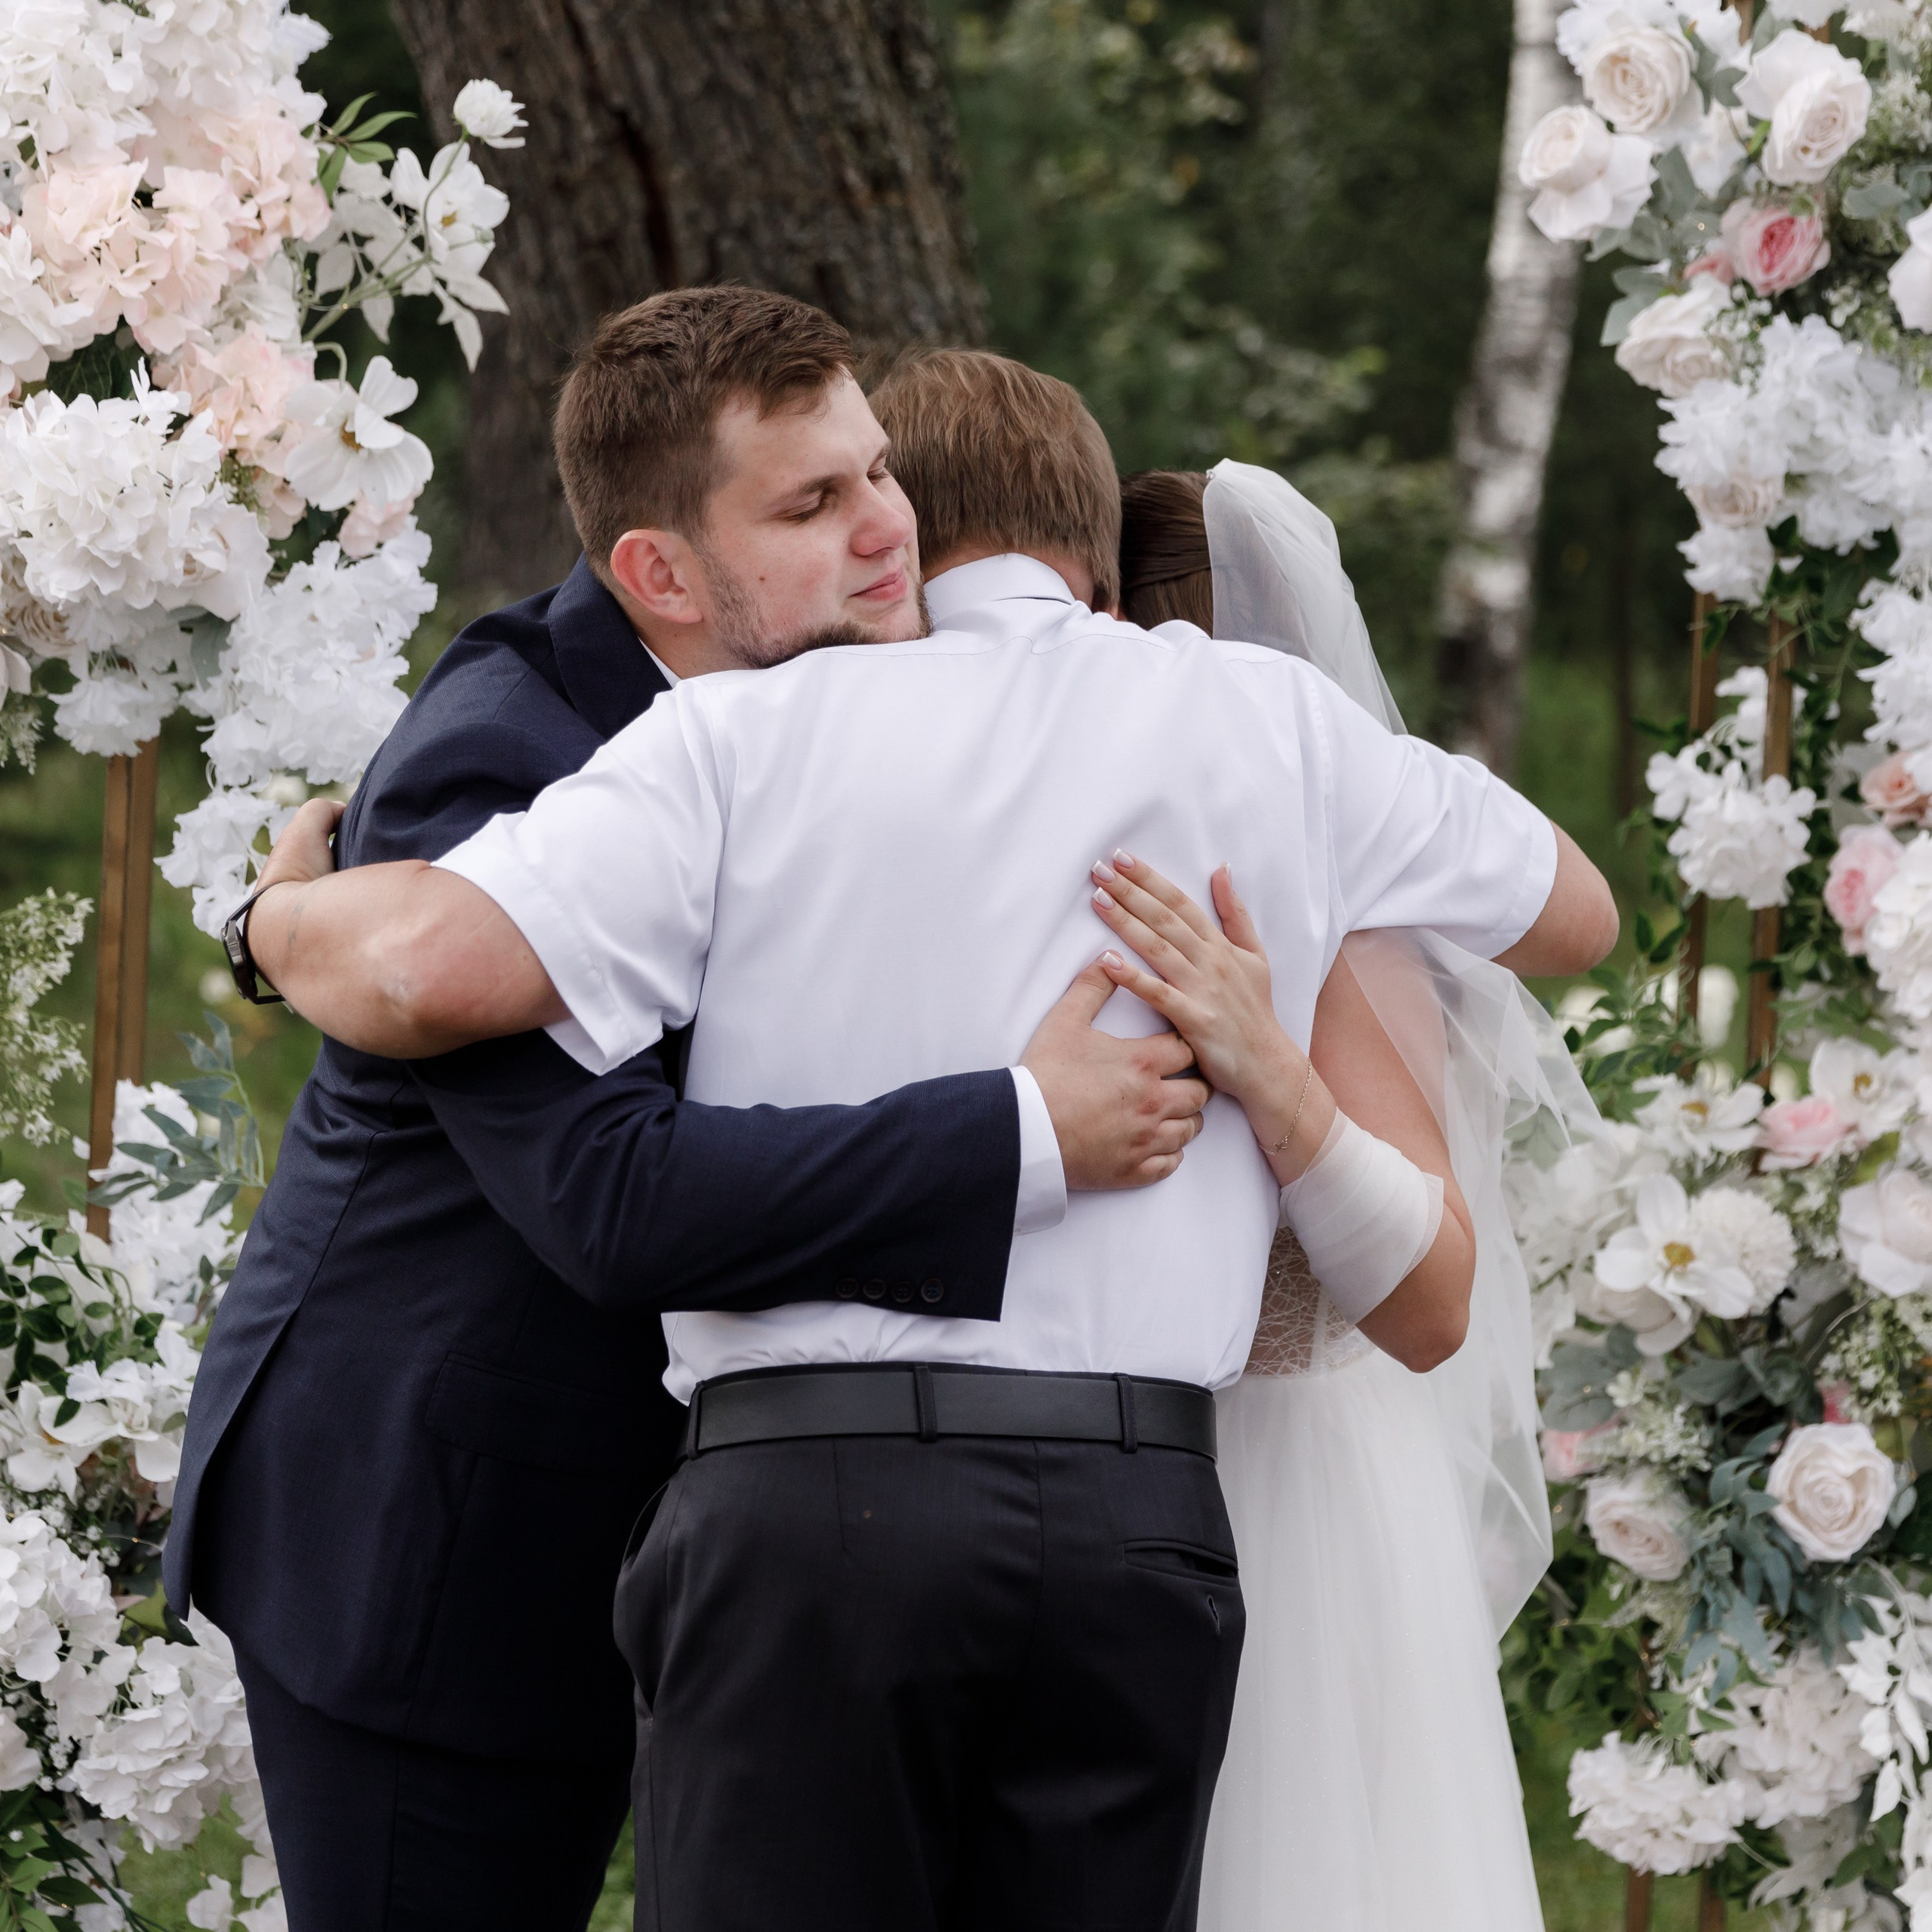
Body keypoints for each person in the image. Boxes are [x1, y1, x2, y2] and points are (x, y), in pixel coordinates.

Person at [237, 336, 1618, 1930]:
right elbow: (1570, 914)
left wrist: (270, 918)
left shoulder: (740, 736)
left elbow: (419, 962)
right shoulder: (1272, 727)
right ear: (1094, 551)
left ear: (912, 523)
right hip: (1138, 1514)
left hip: (802, 1510)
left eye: (870, 478)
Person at [171, 291, 1214, 1932]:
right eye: (811, 505)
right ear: (658, 571)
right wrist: (1022, 1127)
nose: (889, 537)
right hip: (433, 1533)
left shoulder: (842, 708)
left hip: (725, 1537)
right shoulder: (499, 762)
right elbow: (612, 1199)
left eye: (878, 475)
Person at [1118, 463, 1589, 1932]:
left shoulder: (1351, 917)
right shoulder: (1098, 890)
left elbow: (1428, 1288)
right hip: (1121, 1468)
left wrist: (1268, 1064)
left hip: (1292, 1489)